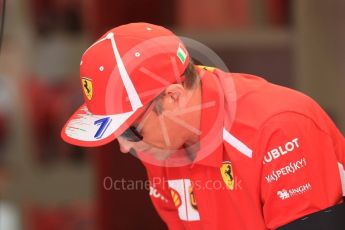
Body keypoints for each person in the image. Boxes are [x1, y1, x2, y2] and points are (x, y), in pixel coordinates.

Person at [61, 22, 345, 229]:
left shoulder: (279, 129)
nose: (125, 148)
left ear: (172, 97)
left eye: (128, 130)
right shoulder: (159, 144)